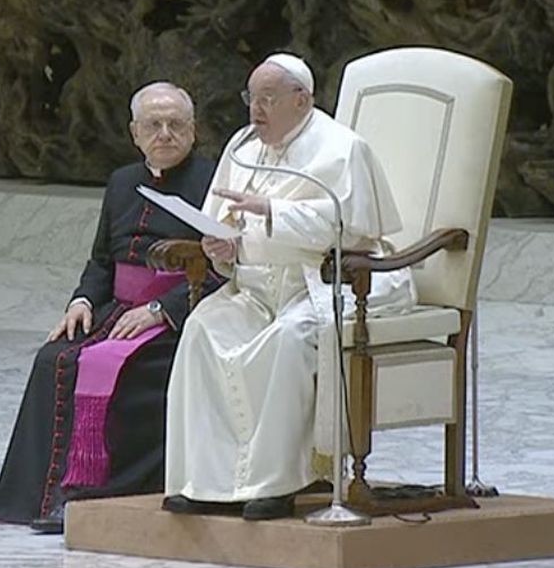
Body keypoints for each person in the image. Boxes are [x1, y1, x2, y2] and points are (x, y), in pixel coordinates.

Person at [162, 54, 414, 521]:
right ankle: (205, 482)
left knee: (287, 341)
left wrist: (272, 211)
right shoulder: (242, 147)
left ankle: (275, 484)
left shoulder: (342, 149)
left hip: (319, 283)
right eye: (251, 98)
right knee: (200, 332)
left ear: (302, 100)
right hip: (254, 289)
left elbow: (352, 229)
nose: (255, 109)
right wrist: (222, 246)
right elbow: (223, 222)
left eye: (268, 98)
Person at [0, 83, 218, 534]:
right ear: (135, 133)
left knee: (128, 369)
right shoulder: (121, 182)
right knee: (53, 359)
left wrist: (160, 309)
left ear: (193, 131)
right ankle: (37, 497)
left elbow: (221, 267)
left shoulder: (214, 182)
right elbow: (101, 261)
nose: (165, 134)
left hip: (181, 310)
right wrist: (81, 301)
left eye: (176, 124)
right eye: (154, 124)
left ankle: (88, 496)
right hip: (117, 308)